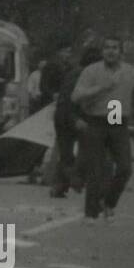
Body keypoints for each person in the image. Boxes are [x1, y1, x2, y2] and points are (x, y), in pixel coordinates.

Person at [71, 35, 134, 221]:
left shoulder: (131, 71)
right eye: (107, 48)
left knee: (125, 168)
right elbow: (76, 96)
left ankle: (109, 202)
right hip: (96, 119)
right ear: (102, 51)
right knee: (95, 169)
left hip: (117, 117)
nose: (110, 51)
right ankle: (90, 212)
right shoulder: (91, 70)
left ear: (121, 52)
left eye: (115, 48)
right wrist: (100, 88)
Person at [48, 45, 98, 198]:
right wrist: (75, 120)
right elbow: (66, 102)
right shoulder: (78, 75)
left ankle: (59, 186)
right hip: (66, 118)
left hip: (76, 117)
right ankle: (72, 180)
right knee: (69, 154)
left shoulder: (88, 75)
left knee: (71, 154)